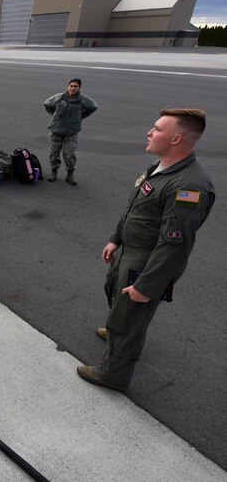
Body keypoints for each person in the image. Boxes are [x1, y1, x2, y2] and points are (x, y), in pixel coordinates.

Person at [78, 109, 215, 392]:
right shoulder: (160, 166)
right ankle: (118, 333)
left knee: (130, 317)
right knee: (118, 302)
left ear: (176, 138)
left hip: (147, 260)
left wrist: (148, 285)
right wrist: (116, 238)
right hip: (131, 248)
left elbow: (174, 245)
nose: (149, 132)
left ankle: (112, 374)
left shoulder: (189, 186)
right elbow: (136, 207)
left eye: (156, 129)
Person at [43, 78, 98, 185]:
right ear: (68, 86)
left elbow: (93, 107)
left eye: (75, 86)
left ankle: (70, 175)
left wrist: (80, 117)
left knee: (70, 154)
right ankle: (54, 172)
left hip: (71, 132)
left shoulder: (82, 99)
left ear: (79, 88)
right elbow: (46, 104)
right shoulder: (59, 97)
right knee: (54, 153)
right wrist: (55, 115)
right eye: (71, 86)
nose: (73, 88)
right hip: (56, 130)